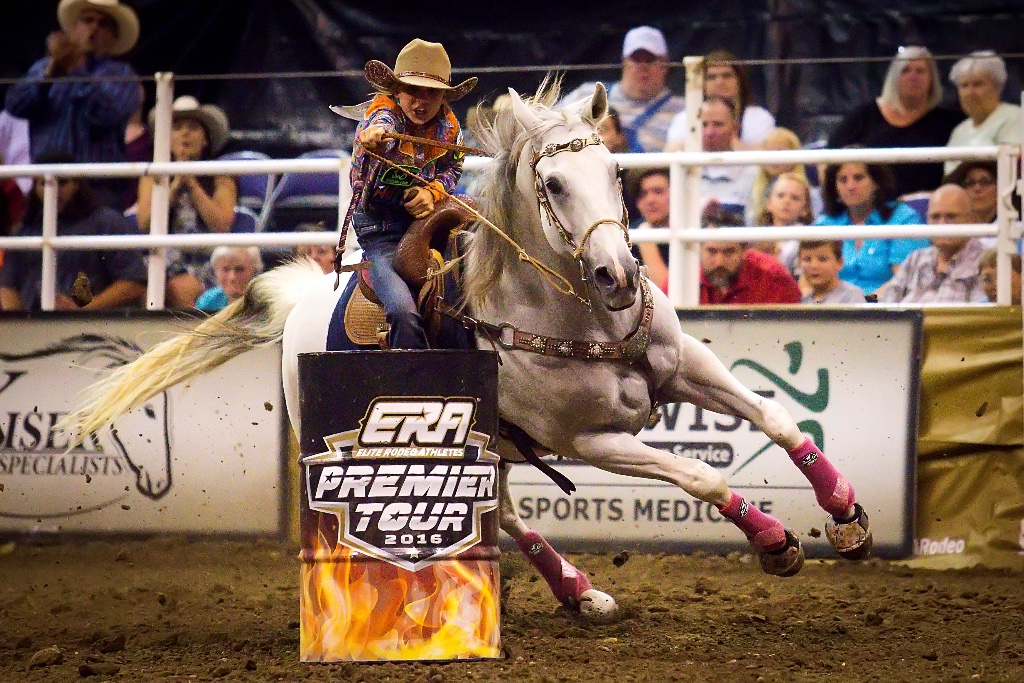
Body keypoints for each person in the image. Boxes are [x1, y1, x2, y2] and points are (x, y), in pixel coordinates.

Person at [336, 39, 476, 349]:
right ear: (396, 91)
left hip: (430, 228)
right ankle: (409, 382)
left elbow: (451, 170)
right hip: (381, 235)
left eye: (432, 93)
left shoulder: (450, 131)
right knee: (402, 312)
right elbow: (377, 129)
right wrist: (371, 141)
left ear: (443, 97)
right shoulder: (382, 118)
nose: (421, 102)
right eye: (412, 90)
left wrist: (434, 193)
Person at [4, 0, 141, 210]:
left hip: (97, 190)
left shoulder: (121, 74)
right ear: (74, 28)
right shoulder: (43, 67)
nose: (94, 27)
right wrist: (49, 76)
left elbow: (105, 114)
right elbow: (15, 104)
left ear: (113, 38)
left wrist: (75, 70)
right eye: (88, 20)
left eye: (103, 24)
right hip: (45, 185)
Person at [0, 152, 146, 311]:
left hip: (94, 327)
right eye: (44, 184)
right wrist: (21, 325)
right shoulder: (24, 230)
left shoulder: (108, 223)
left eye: (62, 183)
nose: (53, 190)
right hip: (34, 326)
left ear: (77, 184)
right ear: (35, 187)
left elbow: (134, 283)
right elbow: (7, 287)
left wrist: (83, 310)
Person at [135, 95, 237, 309]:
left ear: (205, 139)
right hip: (162, 256)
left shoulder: (222, 175)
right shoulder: (152, 175)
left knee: (181, 287)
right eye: (177, 127)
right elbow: (145, 223)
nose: (185, 133)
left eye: (193, 127)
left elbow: (222, 225)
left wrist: (191, 183)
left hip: (205, 260)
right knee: (145, 285)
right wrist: (174, 184)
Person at [827, 46, 960, 197]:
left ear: (932, 79)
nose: (913, 76)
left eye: (920, 71)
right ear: (894, 77)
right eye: (906, 70)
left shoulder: (948, 122)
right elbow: (829, 160)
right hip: (872, 208)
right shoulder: (864, 115)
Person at [814, 160, 929, 295]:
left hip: (885, 307)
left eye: (858, 178)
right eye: (843, 180)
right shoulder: (823, 224)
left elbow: (905, 281)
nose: (850, 186)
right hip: (831, 307)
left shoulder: (903, 218)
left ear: (876, 183)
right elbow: (808, 280)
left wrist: (865, 305)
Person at [562, 26, 684, 153]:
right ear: (624, 63)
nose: (643, 67)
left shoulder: (683, 109)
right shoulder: (587, 94)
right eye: (636, 59)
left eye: (650, 60)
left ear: (665, 65)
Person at [877, 185, 986, 304]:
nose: (942, 225)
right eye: (935, 217)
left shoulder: (986, 262)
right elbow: (886, 304)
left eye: (951, 217)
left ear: (972, 220)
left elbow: (981, 318)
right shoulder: (916, 258)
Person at [666, 49, 776, 151]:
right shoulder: (684, 118)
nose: (719, 82)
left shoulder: (759, 118)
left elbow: (765, 161)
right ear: (702, 83)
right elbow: (671, 154)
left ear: (740, 80)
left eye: (727, 75)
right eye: (711, 77)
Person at [699, 206, 801, 305]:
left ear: (744, 250)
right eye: (712, 251)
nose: (719, 262)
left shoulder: (774, 278)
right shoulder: (685, 276)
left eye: (729, 252)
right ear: (699, 249)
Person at [945, 51, 1023, 175]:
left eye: (978, 84)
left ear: (997, 87)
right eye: (964, 86)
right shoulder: (959, 131)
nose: (970, 92)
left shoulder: (1014, 118)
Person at [747, 128, 820, 225]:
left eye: (780, 152)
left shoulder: (812, 194)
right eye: (769, 152)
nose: (774, 159)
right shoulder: (752, 189)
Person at [698, 97, 757, 214]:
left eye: (718, 124)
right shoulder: (682, 170)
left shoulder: (753, 173)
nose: (709, 132)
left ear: (735, 128)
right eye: (704, 125)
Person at [753, 172, 816, 273]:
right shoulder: (755, 236)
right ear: (769, 203)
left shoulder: (807, 238)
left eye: (795, 198)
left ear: (805, 209)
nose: (787, 201)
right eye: (780, 196)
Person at [631, 168, 671, 293]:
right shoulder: (628, 237)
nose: (650, 200)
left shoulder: (696, 233)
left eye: (658, 192)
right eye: (643, 194)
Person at [195, 246, 262, 313]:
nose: (232, 277)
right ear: (215, 271)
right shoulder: (208, 301)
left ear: (255, 271)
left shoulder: (265, 300)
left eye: (240, 269)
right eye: (225, 269)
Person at [798, 240, 865, 304]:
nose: (814, 266)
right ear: (799, 263)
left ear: (840, 262)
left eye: (822, 259)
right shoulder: (803, 300)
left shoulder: (852, 296)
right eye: (807, 260)